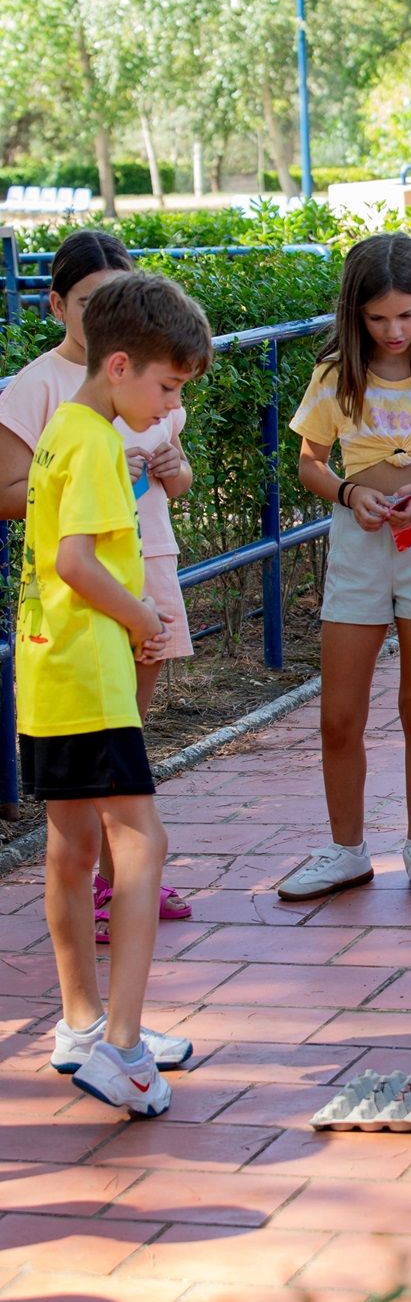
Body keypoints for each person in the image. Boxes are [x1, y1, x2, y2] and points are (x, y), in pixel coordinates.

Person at [18, 273, 212, 1115]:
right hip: (93, 673)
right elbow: (77, 562)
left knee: (72, 850)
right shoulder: (96, 440)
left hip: (47, 672)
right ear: (122, 365)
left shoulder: (61, 428)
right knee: (142, 843)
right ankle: (123, 1051)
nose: (171, 407)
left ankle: (82, 1025)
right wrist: (142, 617)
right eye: (167, 387)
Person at [277, 232, 411, 904]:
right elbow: (311, 463)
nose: (394, 330)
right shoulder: (336, 375)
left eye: (406, 315)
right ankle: (346, 850)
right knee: (339, 714)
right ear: (356, 312)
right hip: (359, 542)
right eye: (378, 318)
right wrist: (349, 493)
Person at [0, 230, 197, 941]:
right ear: (58, 305)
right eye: (91, 300)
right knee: (110, 804)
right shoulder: (68, 416)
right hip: (87, 625)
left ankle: (113, 903)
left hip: (123, 590)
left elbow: (176, 473)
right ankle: (115, 899)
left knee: (113, 773)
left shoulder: (123, 402)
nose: (171, 400)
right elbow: (58, 542)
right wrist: (139, 616)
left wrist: (170, 470)